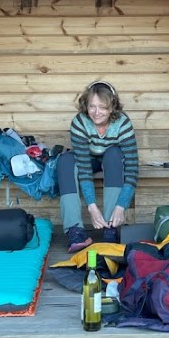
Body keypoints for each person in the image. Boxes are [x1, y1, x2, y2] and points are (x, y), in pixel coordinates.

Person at [57, 81, 139, 253]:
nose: (96, 112)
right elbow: (84, 168)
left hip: (112, 160)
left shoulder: (123, 123)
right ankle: (75, 231)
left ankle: (111, 227)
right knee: (65, 161)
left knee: (114, 154)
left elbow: (132, 169)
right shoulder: (80, 122)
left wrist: (121, 206)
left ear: (112, 107)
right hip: (88, 159)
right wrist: (92, 207)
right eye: (92, 106)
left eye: (102, 107)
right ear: (85, 106)